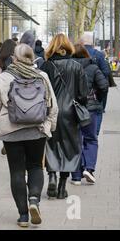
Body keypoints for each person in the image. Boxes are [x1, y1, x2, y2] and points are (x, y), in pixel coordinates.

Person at [0, 44, 58, 228]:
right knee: (35, 167)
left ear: (14, 58)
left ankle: (24, 216)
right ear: (32, 57)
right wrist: (49, 126)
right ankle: (34, 200)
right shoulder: (42, 76)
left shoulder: (4, 77)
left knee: (16, 171)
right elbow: (53, 106)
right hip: (36, 130)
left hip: (11, 131)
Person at [41, 33, 89, 199]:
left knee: (51, 144)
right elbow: (83, 94)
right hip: (70, 113)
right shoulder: (76, 66)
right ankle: (62, 186)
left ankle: (52, 176)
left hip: (50, 111)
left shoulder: (46, 66)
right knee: (69, 147)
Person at [71, 44, 108, 185]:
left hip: (73, 109)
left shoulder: (70, 67)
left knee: (76, 141)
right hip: (91, 109)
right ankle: (89, 169)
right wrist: (97, 98)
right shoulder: (93, 67)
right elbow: (104, 85)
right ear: (87, 54)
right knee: (91, 139)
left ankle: (75, 177)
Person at [80, 32, 110, 136]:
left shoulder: (76, 54)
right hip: (95, 95)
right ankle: (95, 134)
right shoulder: (99, 54)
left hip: (79, 96)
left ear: (82, 43)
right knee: (92, 135)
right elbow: (106, 71)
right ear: (92, 43)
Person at [0, 39, 17, 155]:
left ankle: (5, 143)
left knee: (3, 113)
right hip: (11, 84)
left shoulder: (1, 56)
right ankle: (7, 142)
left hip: (3, 84)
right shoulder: (11, 58)